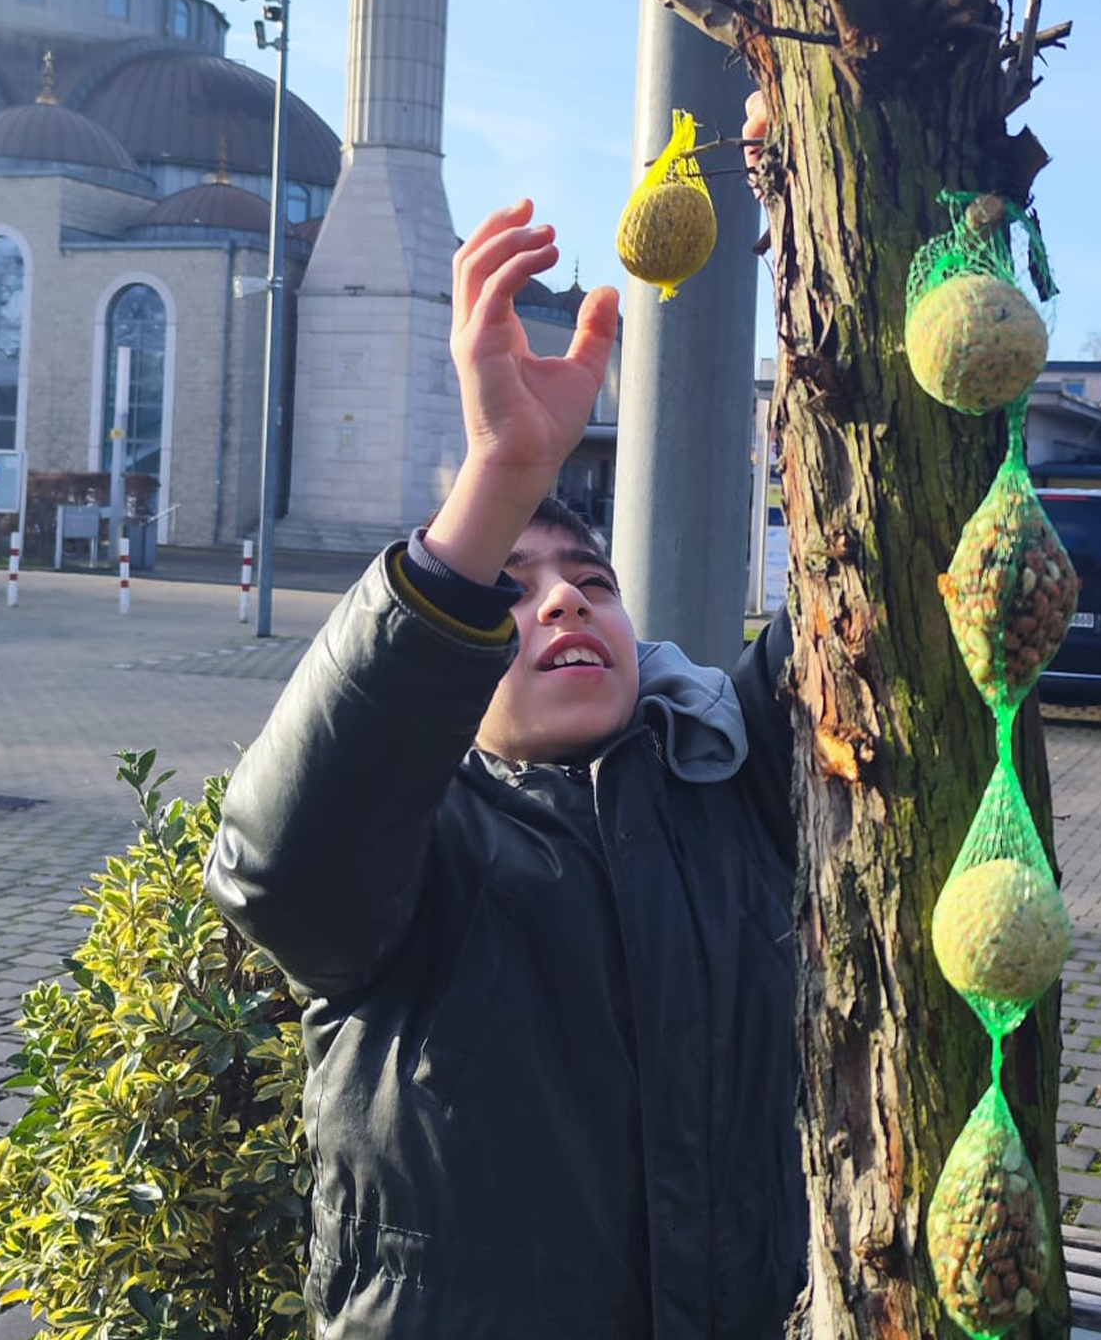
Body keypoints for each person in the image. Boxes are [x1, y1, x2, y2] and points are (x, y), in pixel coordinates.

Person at [204, 197, 806, 1338]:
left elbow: (855, 614)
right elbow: (279, 869)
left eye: (591, 581)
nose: (565, 597)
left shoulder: (739, 790)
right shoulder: (419, 854)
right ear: (446, 666)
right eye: (509, 589)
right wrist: (499, 476)